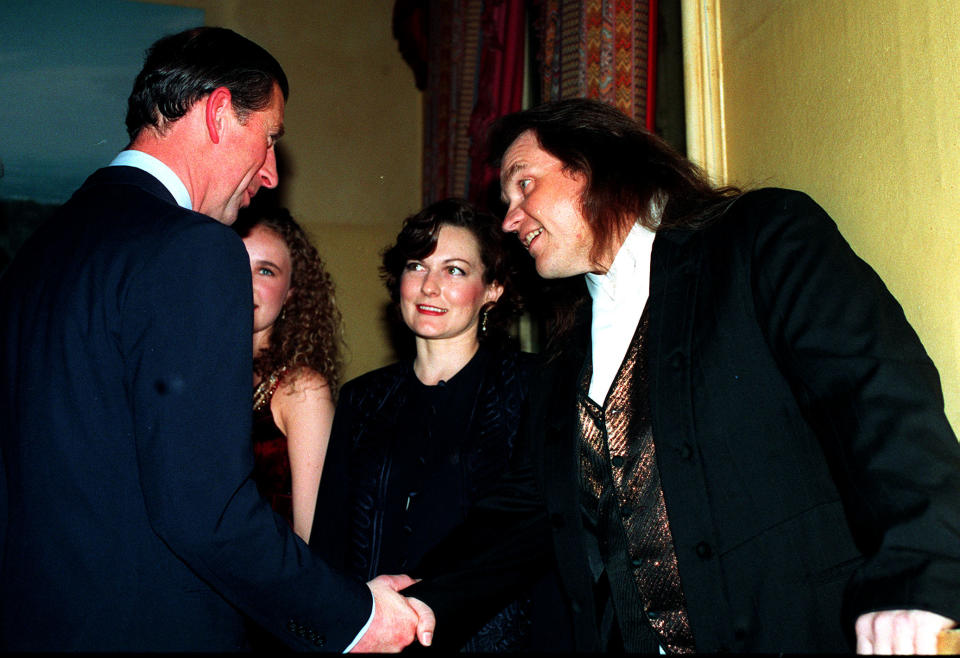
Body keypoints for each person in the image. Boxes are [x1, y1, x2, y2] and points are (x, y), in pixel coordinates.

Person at [400, 98, 960, 653]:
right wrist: (419, 598)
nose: (509, 219)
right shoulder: (562, 358)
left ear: (597, 163)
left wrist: (919, 571)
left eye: (524, 185)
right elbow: (524, 513)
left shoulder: (758, 238)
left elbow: (875, 394)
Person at [0, 26, 430, 651]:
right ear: (220, 111)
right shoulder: (193, 248)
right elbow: (205, 510)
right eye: (271, 138)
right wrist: (356, 616)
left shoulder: (36, 254)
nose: (273, 173)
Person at [312, 198, 569, 651]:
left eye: (454, 270)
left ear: (492, 289)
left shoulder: (536, 386)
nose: (430, 287)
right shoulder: (361, 399)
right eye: (417, 266)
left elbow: (543, 536)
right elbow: (330, 546)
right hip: (379, 639)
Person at [236, 208, 341, 542]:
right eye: (234, 262)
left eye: (265, 271)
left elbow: (314, 538)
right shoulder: (196, 378)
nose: (244, 282)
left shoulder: (302, 390)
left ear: (291, 293)